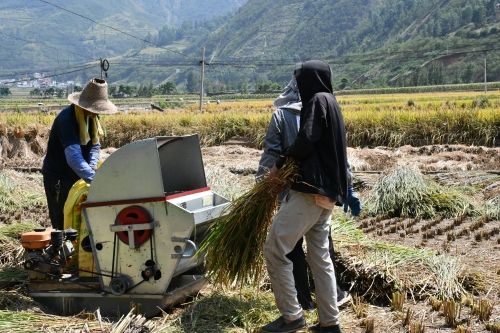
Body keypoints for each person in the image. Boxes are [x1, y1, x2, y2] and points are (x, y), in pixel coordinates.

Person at [257, 78, 360, 312]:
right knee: (322, 250)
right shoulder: (328, 109)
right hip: (325, 193)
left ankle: (300, 304)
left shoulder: (282, 116)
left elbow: (272, 154)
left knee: (284, 248)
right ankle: (332, 301)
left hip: (296, 193)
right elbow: (339, 155)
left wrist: (262, 188)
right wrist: (348, 187)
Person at [42, 78, 117, 230]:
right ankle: (59, 251)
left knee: (78, 219)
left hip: (78, 176)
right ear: (84, 105)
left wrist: (91, 167)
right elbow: (74, 157)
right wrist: (95, 180)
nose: (96, 112)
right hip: (59, 178)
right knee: (62, 219)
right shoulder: (67, 120)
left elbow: (95, 146)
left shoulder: (92, 118)